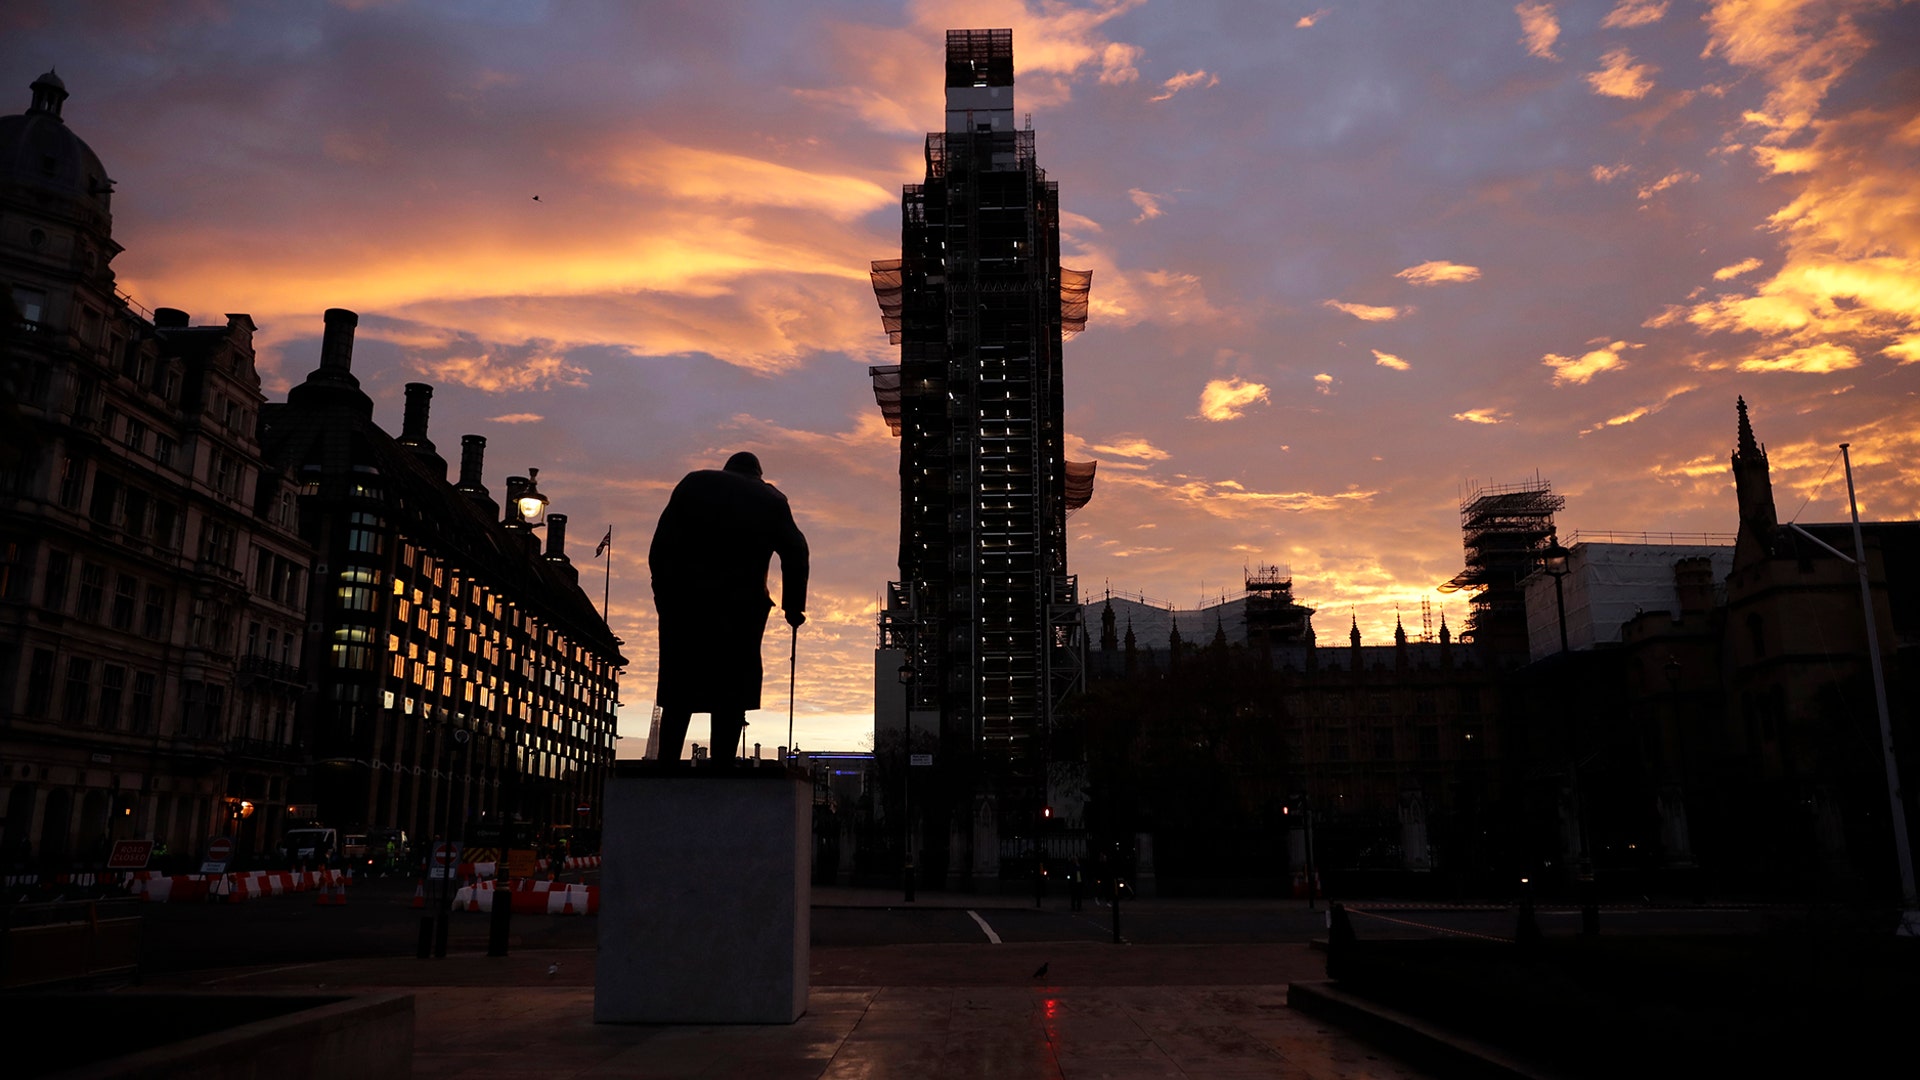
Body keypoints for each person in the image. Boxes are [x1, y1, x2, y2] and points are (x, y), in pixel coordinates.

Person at [649, 452, 808, 765]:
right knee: (733, 684)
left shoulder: (693, 483)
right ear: (757, 474)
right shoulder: (771, 498)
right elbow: (797, 551)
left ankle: (666, 760)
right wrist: (793, 607)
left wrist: (664, 592)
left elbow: (661, 545)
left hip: (685, 603)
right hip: (741, 606)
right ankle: (722, 762)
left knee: (680, 680)